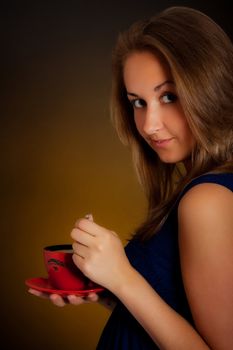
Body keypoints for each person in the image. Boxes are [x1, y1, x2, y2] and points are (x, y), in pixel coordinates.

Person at [29, 6, 233, 349]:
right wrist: (107, 290)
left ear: (210, 89)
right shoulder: (206, 190)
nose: (150, 125)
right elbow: (176, 319)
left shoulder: (207, 201)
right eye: (138, 102)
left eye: (169, 96)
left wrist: (124, 278)